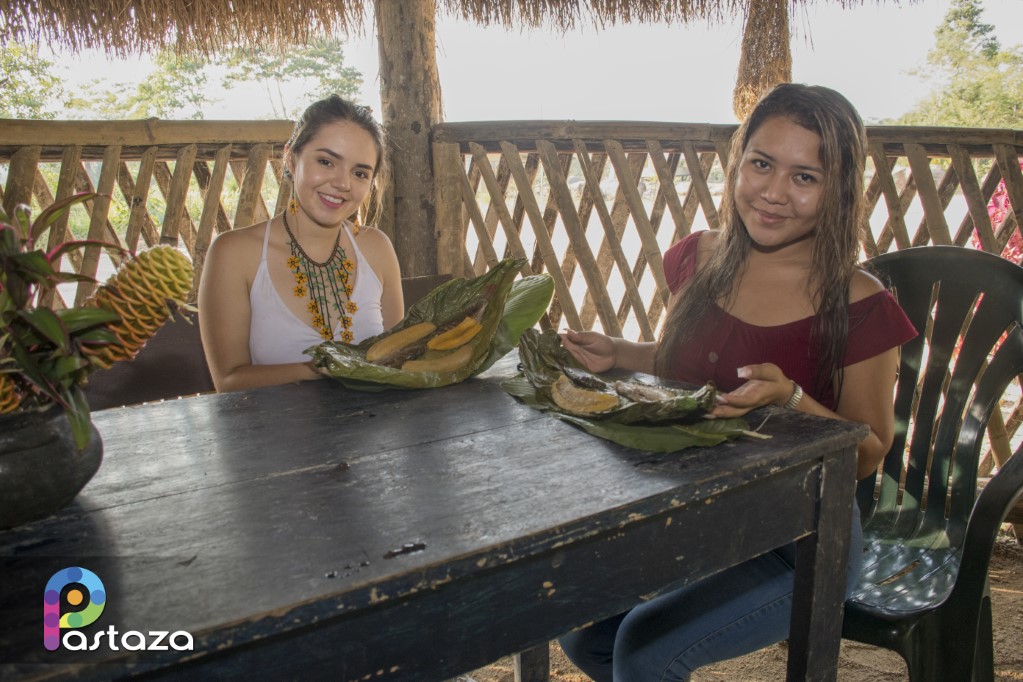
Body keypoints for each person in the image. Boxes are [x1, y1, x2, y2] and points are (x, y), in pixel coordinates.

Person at [557, 83, 918, 681]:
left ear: (839, 189)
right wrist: (620, 352)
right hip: (699, 512)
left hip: (803, 537)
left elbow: (869, 451)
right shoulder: (699, 258)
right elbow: (689, 373)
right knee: (583, 635)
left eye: (805, 177)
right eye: (762, 163)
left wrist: (794, 401)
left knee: (646, 653)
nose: (774, 193)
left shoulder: (858, 304)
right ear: (737, 160)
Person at [199, 95, 403, 392]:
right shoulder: (235, 253)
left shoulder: (377, 248)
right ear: (291, 159)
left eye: (359, 173)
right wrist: (325, 368)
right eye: (326, 161)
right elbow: (228, 381)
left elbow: (399, 358)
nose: (343, 183)